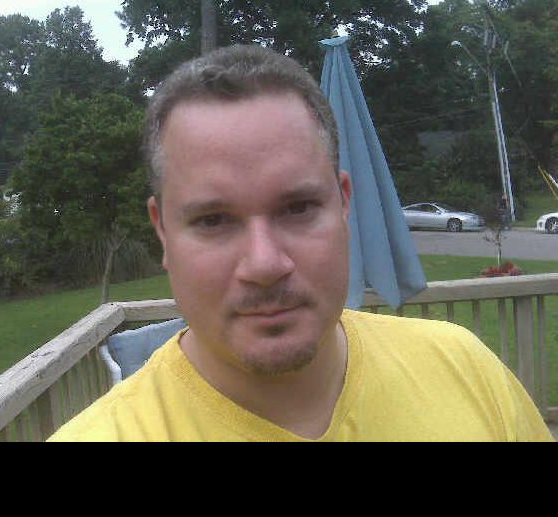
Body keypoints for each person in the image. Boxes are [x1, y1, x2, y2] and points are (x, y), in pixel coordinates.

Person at [48, 44, 553, 442]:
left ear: (344, 202)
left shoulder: (463, 368)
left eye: (297, 208)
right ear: (162, 230)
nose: (264, 264)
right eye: (213, 220)